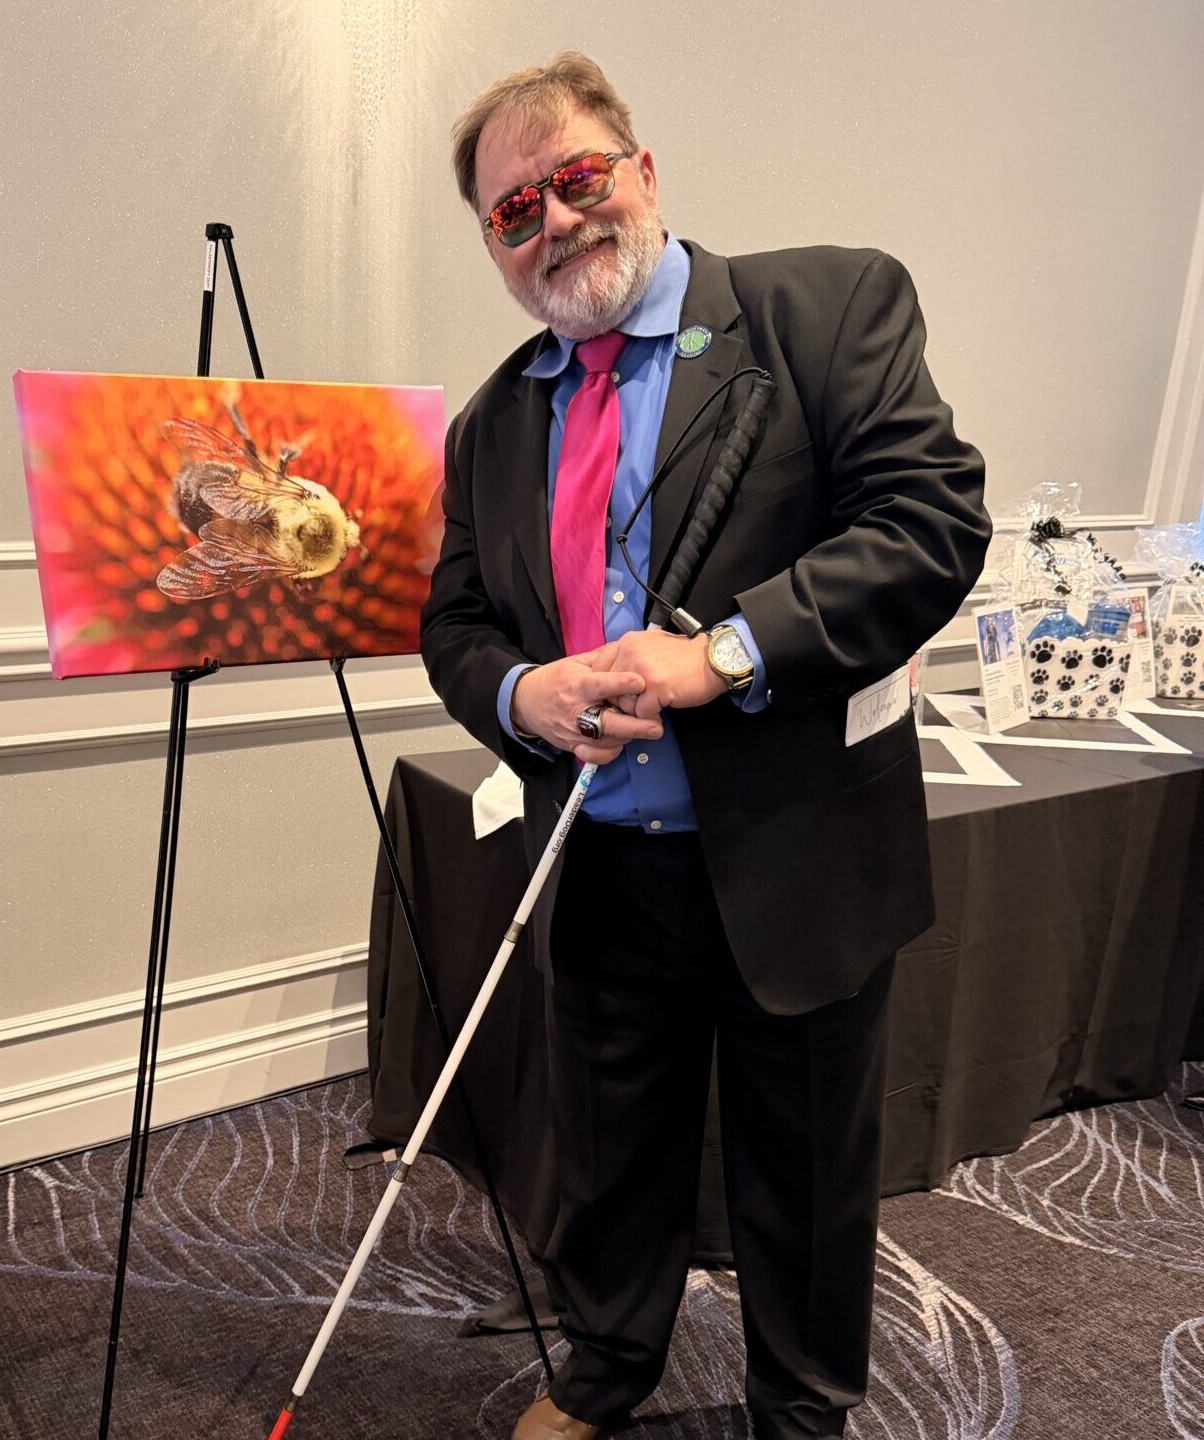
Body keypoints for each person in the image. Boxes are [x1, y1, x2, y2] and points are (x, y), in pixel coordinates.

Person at [419, 52, 990, 1440]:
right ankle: (608, 1366)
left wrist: (721, 653)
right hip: (599, 859)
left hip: (795, 853)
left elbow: (929, 524)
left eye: (576, 177)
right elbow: (457, 623)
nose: (556, 220)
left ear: (643, 170)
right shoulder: (491, 422)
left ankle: (801, 1411)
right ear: (494, 247)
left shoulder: (825, 307)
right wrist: (524, 696)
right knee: (612, 1152)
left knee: (804, 1169)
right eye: (514, 211)